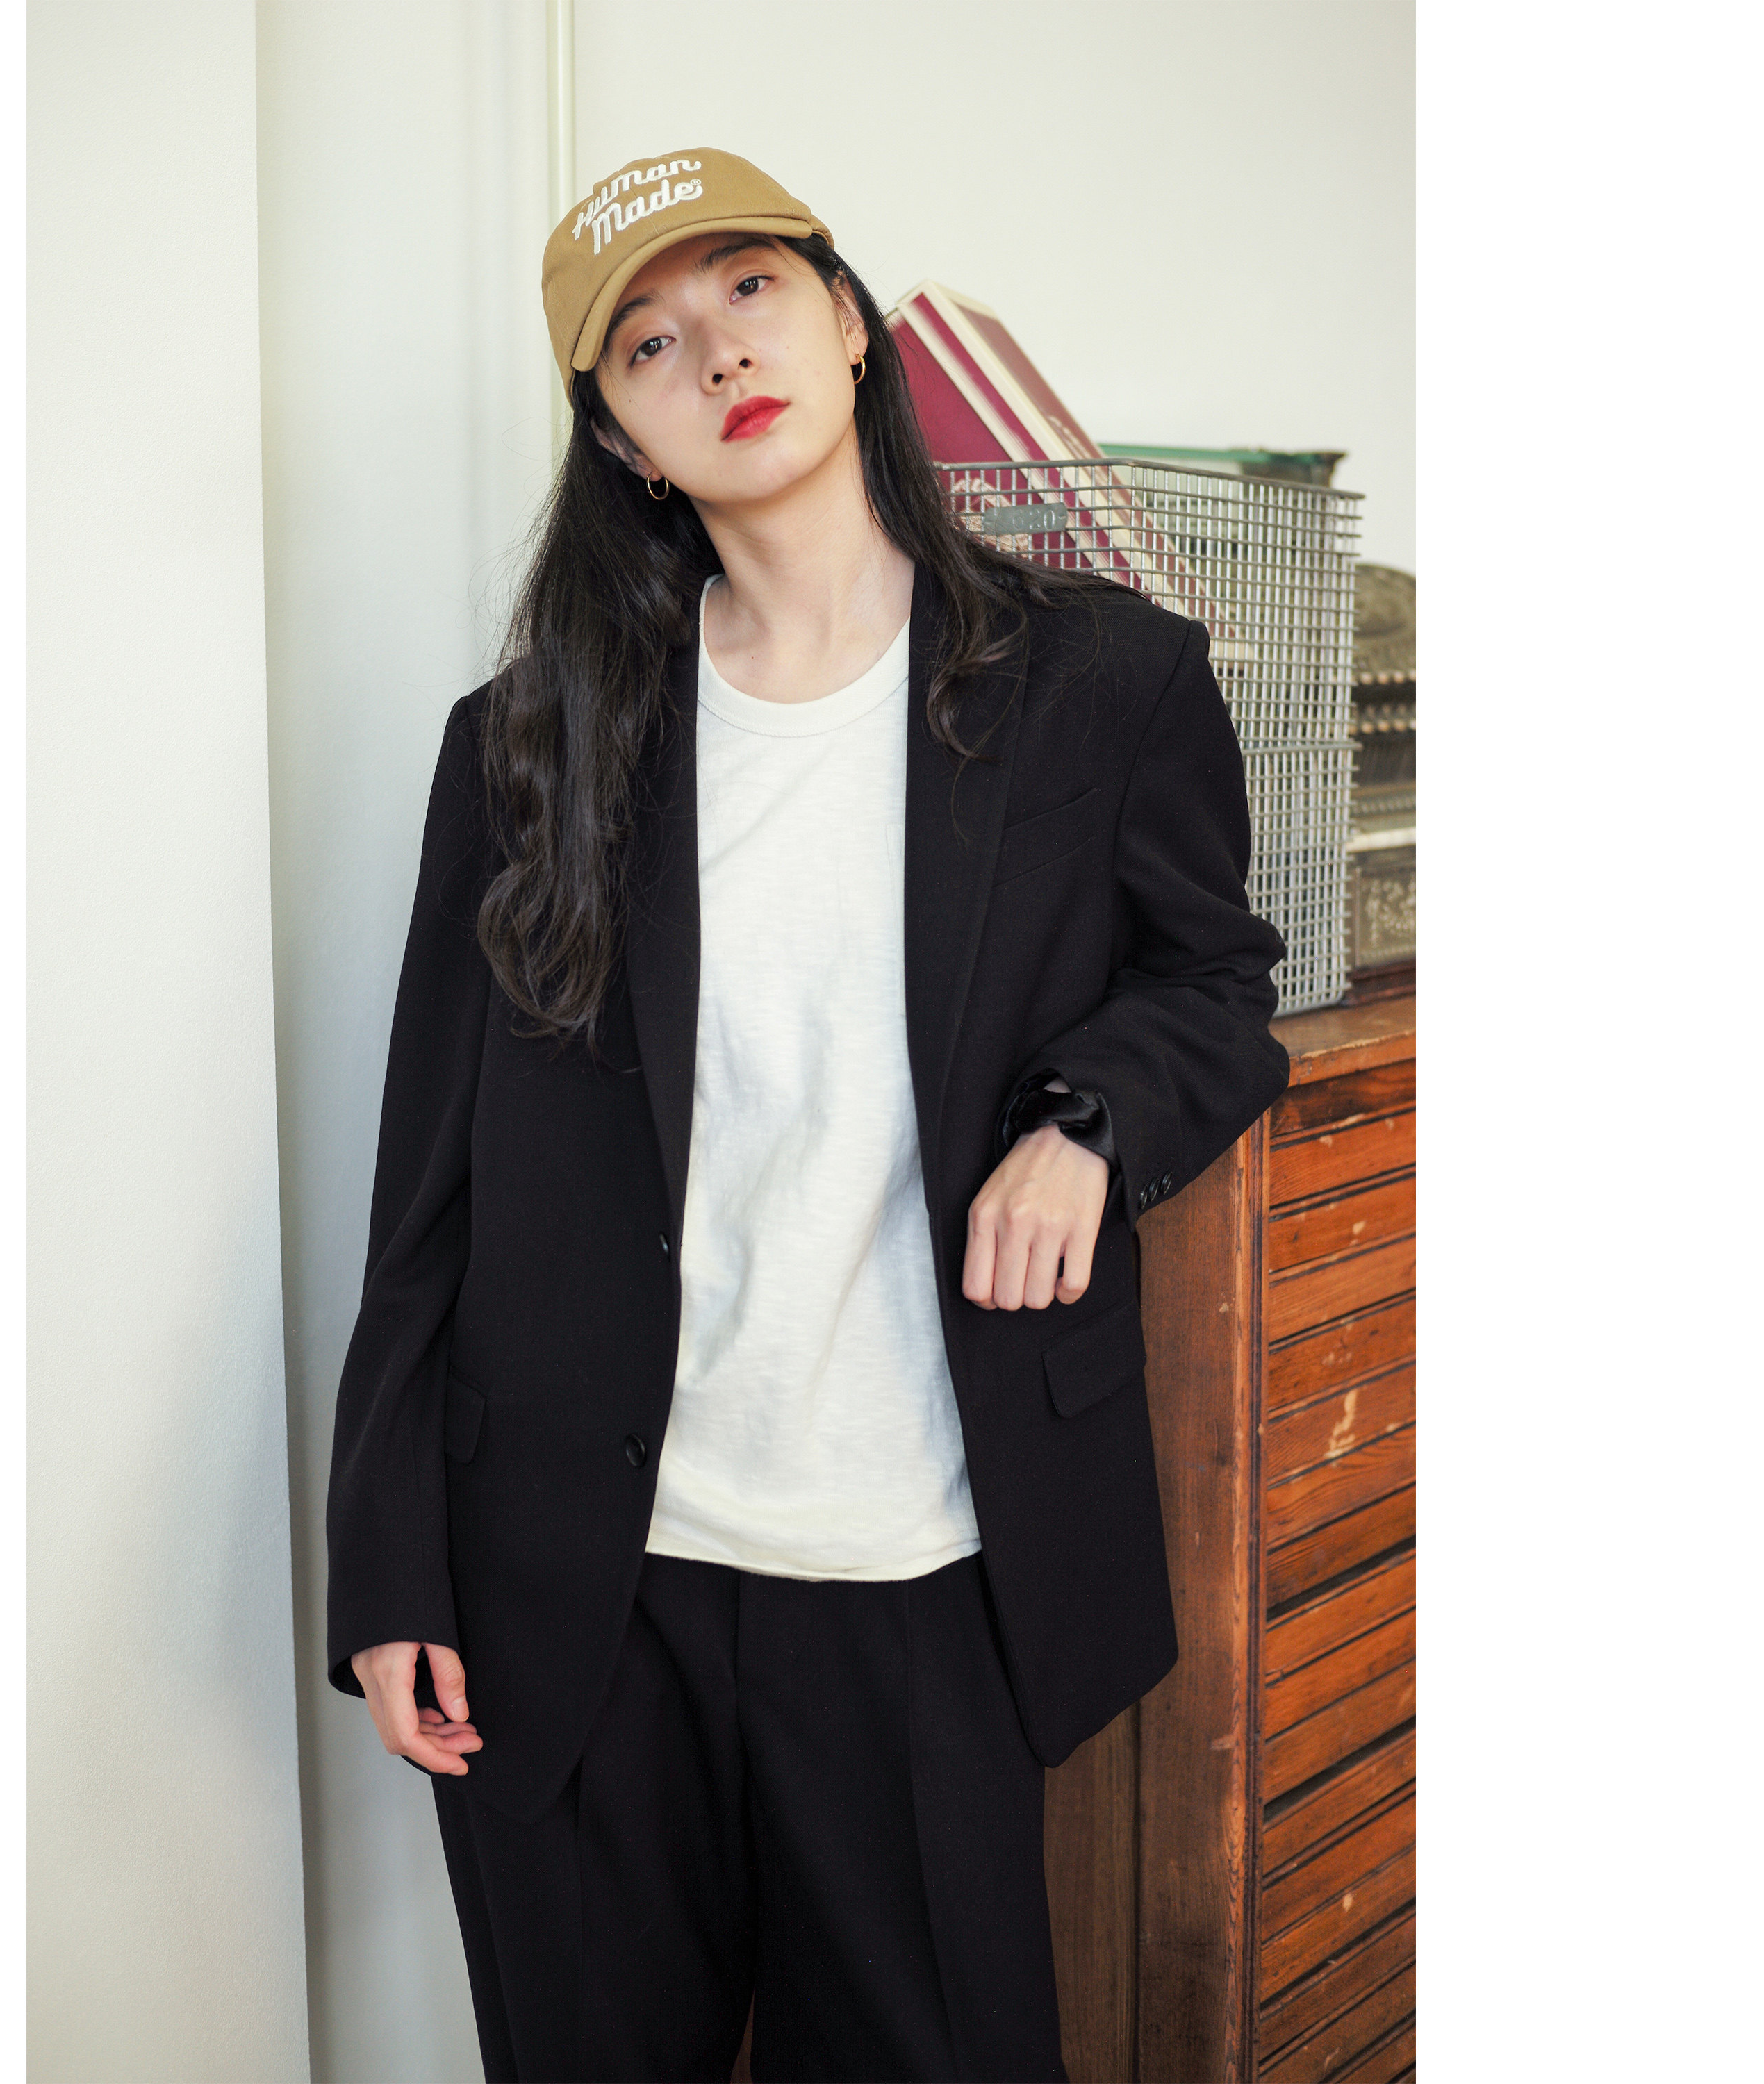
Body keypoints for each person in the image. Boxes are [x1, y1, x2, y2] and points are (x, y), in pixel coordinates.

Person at [324, 147, 1289, 2083]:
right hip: (578, 1591)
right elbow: (426, 1180)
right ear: (626, 444)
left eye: (752, 290)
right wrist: (390, 1566)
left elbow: (1216, 981)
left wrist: (1085, 1126)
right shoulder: (526, 749)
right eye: (651, 343)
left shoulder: (1104, 682)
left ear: (849, 321)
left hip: (922, 1563)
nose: (718, 354)